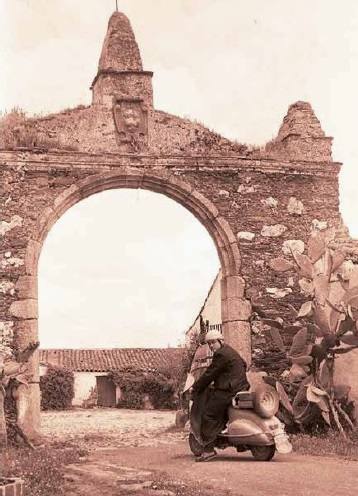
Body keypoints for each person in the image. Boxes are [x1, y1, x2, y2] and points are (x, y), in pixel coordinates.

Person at [191, 330, 249, 462]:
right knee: (219, 411)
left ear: (220, 341)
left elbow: (209, 374)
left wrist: (196, 387)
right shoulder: (230, 351)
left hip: (228, 390)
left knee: (208, 414)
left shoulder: (220, 354)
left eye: (213, 342)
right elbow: (243, 364)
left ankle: (208, 450)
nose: (211, 346)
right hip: (241, 387)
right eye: (209, 343)